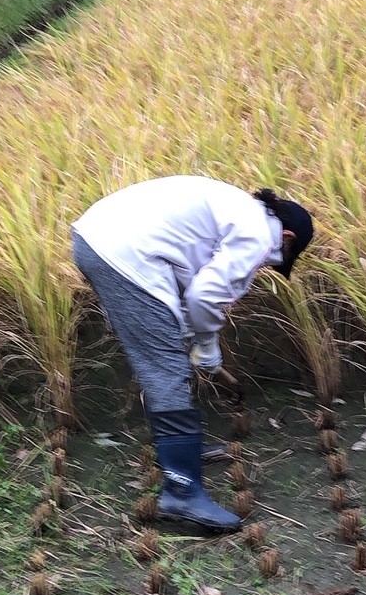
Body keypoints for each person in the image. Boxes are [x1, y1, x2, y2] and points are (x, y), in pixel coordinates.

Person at [72, 176, 314, 532]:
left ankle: (178, 455)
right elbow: (204, 297)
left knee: (165, 354)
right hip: (124, 254)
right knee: (166, 369)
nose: (267, 264)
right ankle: (181, 492)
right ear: (287, 239)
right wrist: (207, 345)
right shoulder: (261, 235)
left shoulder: (236, 210)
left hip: (97, 238)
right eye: (278, 260)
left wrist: (190, 332)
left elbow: (188, 278)